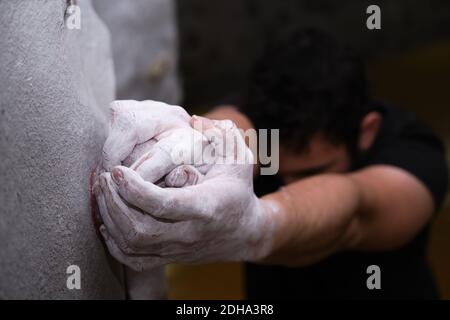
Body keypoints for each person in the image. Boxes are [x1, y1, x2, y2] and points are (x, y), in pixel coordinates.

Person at [95, 29, 448, 299]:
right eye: (278, 168)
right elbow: (232, 131)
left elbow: (354, 207)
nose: (289, 184)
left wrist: (255, 226)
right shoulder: (267, 122)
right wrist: (185, 145)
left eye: (312, 173)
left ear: (367, 131)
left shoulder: (413, 153)